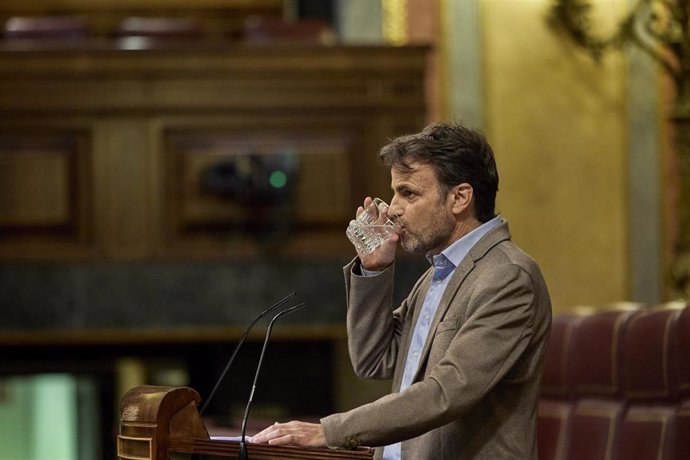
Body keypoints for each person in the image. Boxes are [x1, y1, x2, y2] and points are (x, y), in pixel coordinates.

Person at [251, 122, 552, 459]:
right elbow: (374, 360)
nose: (392, 208)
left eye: (408, 193)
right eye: (394, 193)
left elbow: (447, 392)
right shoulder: (438, 274)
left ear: (460, 197)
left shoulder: (507, 277)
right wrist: (374, 271)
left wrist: (329, 431)